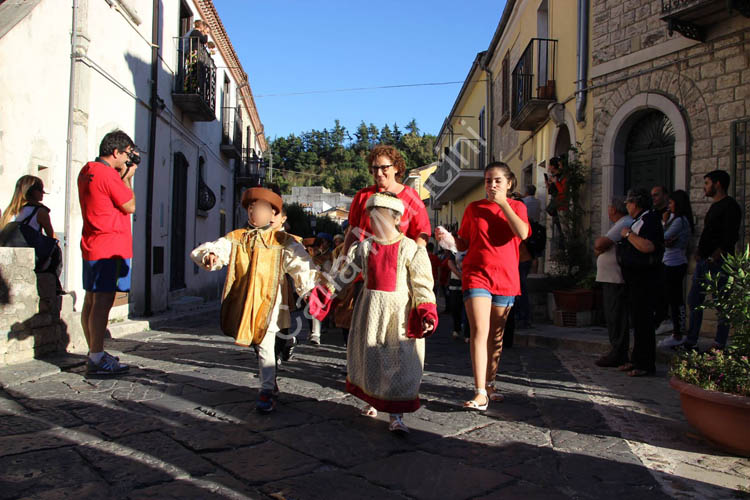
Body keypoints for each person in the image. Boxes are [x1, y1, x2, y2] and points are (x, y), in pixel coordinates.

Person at [310, 192, 437, 434]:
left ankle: (396, 415)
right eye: (372, 213)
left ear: (396, 217)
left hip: (399, 313)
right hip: (369, 310)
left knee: (399, 360)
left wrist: (426, 310)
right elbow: (344, 276)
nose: (374, 218)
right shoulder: (364, 248)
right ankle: (373, 401)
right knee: (372, 357)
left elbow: (422, 283)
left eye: (380, 213)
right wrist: (326, 292)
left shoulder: (411, 249)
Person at [190, 187, 322, 412]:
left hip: (272, 302)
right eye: (251, 208)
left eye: (260, 208)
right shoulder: (238, 237)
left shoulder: (283, 240)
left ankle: (267, 389)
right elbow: (221, 247)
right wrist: (210, 255)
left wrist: (309, 290)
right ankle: (270, 383)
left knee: (267, 344)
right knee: (259, 344)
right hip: (247, 301)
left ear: (273, 214)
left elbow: (300, 264)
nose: (254, 212)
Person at [438, 162, 530, 410]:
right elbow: (464, 242)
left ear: (509, 183)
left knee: (496, 337)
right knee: (479, 330)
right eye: (488, 180)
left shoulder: (518, 207)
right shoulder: (473, 208)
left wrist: (502, 204)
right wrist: (449, 240)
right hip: (476, 274)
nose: (492, 185)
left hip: (505, 278)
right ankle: (480, 392)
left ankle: (491, 383)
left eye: (497, 180)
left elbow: (522, 233)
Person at [77, 130, 138, 376]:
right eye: (126, 155)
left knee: (91, 300)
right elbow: (130, 205)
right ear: (116, 152)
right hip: (110, 246)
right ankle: (96, 357)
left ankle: (96, 351)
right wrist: (128, 178)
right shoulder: (108, 176)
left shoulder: (87, 170)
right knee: (103, 301)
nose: (127, 160)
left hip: (92, 242)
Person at [684, 170, 742, 351]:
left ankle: (719, 343)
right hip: (704, 262)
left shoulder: (730, 206)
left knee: (721, 304)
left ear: (718, 184)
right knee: (695, 301)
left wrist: (715, 256)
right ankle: (691, 340)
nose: (704, 187)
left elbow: (729, 236)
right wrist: (700, 252)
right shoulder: (714, 206)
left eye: (707, 183)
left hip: (718, 263)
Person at [617, 189, 664, 377]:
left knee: (644, 322)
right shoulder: (640, 220)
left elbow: (648, 246)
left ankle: (645, 364)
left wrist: (628, 235)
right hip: (634, 280)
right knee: (637, 321)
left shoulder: (650, 219)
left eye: (628, 202)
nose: (626, 206)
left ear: (636, 203)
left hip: (644, 280)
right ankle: (636, 359)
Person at [593, 197, 634, 367]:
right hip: (611, 278)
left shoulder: (624, 222)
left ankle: (618, 352)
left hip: (616, 278)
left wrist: (600, 247)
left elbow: (601, 243)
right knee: (612, 315)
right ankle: (616, 350)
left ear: (613, 210)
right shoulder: (621, 223)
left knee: (616, 315)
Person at [1, 176, 63, 286]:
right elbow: (52, 238)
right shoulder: (40, 211)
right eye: (40, 189)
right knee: (56, 250)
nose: (43, 192)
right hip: (32, 258)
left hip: (8, 258)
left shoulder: (9, 212)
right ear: (31, 191)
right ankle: (55, 286)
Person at [657, 190, 694, 348]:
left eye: (671, 203)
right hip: (669, 260)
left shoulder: (680, 220)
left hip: (675, 262)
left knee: (675, 298)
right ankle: (674, 328)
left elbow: (663, 236)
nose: (668, 206)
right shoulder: (675, 218)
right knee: (670, 296)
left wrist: (664, 223)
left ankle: (677, 332)